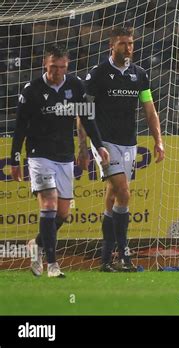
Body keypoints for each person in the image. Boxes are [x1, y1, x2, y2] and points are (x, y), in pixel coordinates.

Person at [10, 44, 109, 278]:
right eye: (53, 67)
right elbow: (20, 127)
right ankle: (52, 265)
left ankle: (36, 244)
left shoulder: (76, 86)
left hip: (64, 155)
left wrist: (99, 145)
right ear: (45, 64)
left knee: (63, 213)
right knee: (49, 205)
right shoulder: (31, 90)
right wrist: (16, 158)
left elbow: (87, 117)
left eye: (62, 68)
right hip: (38, 154)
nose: (57, 72)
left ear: (67, 66)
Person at [77, 27, 165, 272]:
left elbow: (150, 109)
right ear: (111, 47)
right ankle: (124, 254)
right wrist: (83, 146)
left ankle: (106, 258)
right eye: (123, 44)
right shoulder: (97, 74)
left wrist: (158, 140)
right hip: (103, 142)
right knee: (124, 193)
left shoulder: (140, 75)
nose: (129, 48)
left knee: (114, 194)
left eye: (131, 44)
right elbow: (84, 112)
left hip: (129, 142)